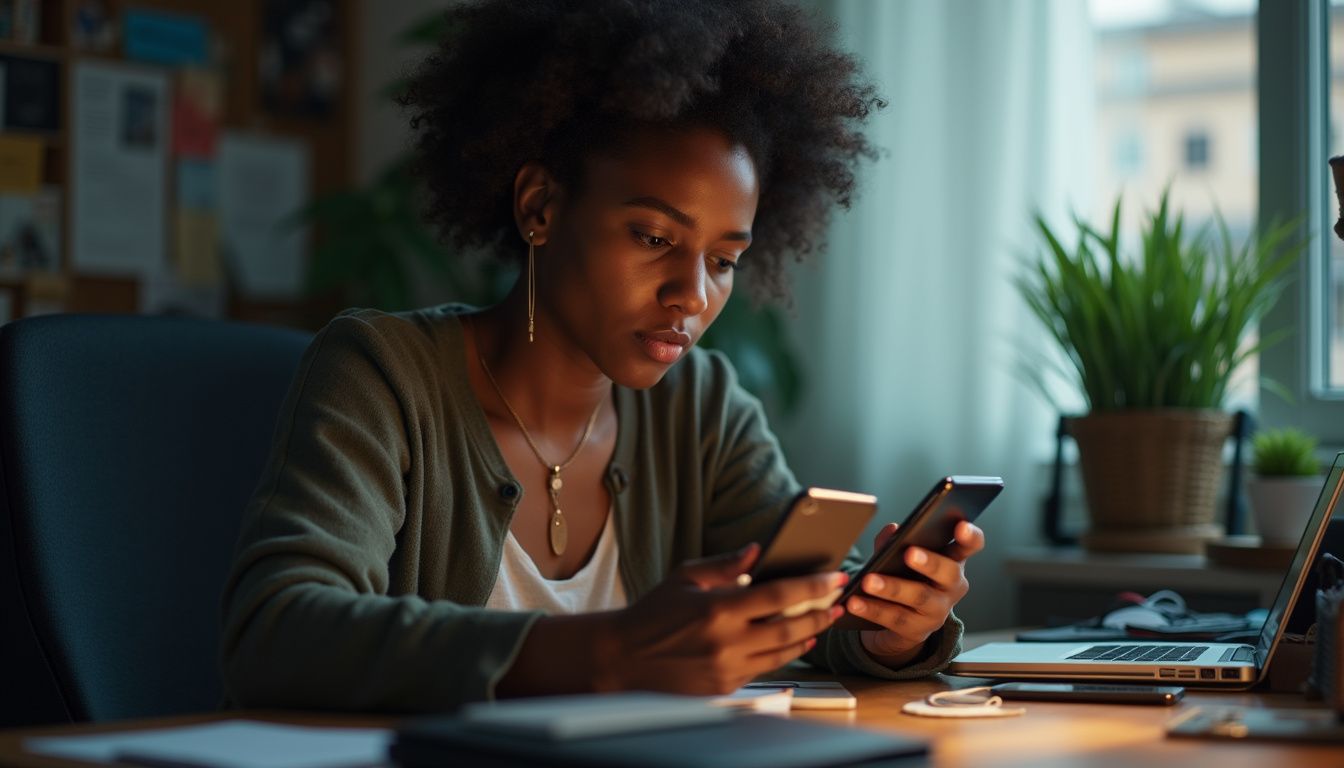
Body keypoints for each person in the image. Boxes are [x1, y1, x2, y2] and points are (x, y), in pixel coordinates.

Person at [220, 0, 986, 712]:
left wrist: (888, 629)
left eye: (723, 260)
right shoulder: (384, 373)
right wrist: (611, 652)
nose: (690, 296)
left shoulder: (700, 407)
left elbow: (810, 608)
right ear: (540, 209)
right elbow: (279, 632)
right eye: (655, 239)